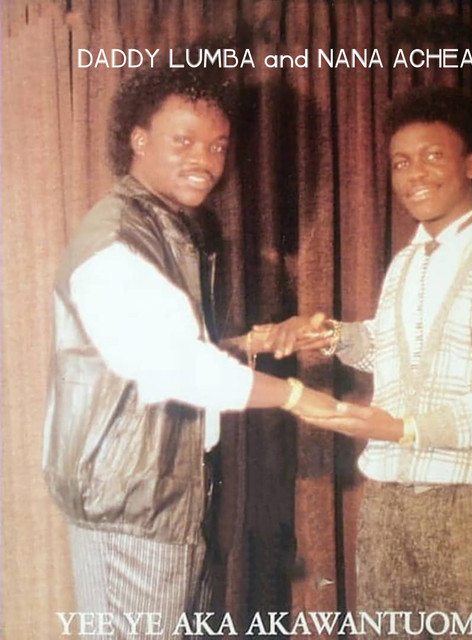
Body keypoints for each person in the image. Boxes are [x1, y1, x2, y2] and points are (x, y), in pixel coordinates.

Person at [254, 86, 472, 638]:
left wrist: (403, 429)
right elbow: (397, 349)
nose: (414, 174)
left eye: (432, 156)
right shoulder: (408, 262)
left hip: (471, 509)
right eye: (402, 162)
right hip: (388, 506)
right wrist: (330, 336)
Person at [41, 58, 341, 639]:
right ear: (138, 139)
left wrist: (247, 345)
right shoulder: (118, 239)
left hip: (155, 502)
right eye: (184, 141)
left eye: (217, 146)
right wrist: (295, 396)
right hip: (134, 510)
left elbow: (150, 352)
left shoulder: (163, 226)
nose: (205, 160)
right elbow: (174, 367)